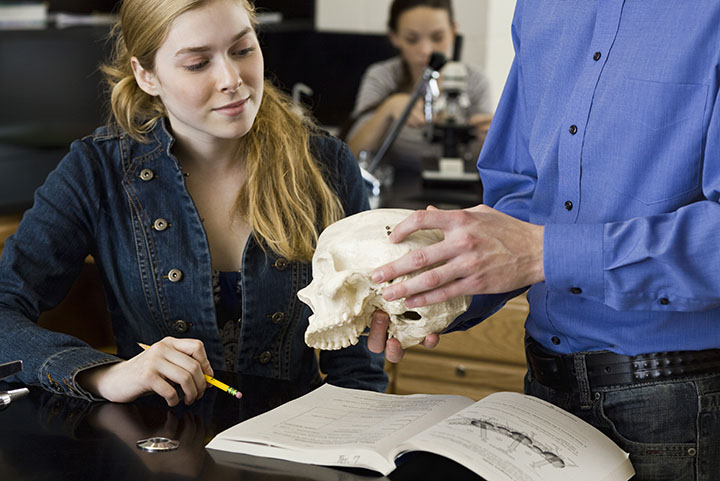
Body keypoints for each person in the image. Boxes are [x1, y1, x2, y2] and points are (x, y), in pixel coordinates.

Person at [367, 1, 720, 478]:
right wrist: (436, 288)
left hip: (680, 403)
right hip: (542, 390)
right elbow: (521, 194)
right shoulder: (539, 7)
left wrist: (541, 253)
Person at [0, 0, 387, 407]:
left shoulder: (327, 165)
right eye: (198, 63)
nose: (232, 79)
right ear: (146, 75)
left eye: (242, 50)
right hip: (154, 449)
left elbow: (359, 367)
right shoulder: (96, 169)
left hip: (297, 449)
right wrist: (104, 374)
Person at [345, 0, 493, 171]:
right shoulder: (382, 77)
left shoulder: (476, 80)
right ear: (394, 37)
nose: (426, 50)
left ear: (453, 31)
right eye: (412, 39)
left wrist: (492, 141)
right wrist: (388, 109)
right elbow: (351, 155)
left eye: (437, 38)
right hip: (396, 185)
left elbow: (486, 162)